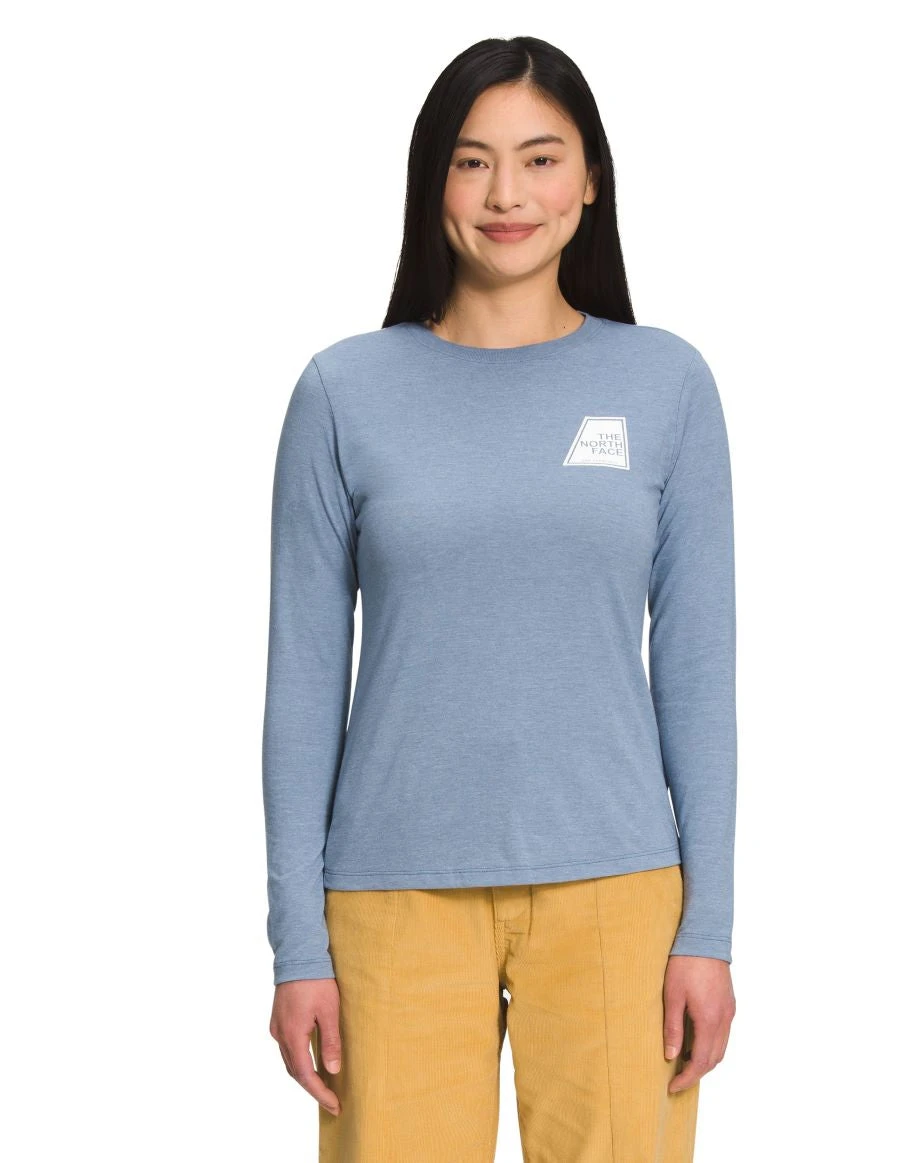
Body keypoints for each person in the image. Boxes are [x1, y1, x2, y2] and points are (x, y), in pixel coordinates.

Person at [263, 35, 737, 1163]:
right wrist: (297, 948)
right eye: (472, 162)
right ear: (433, 183)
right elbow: (302, 684)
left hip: (619, 893)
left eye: (540, 158)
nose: (506, 194)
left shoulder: (665, 384)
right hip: (391, 897)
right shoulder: (343, 391)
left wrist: (708, 929)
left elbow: (699, 673)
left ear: (591, 181)